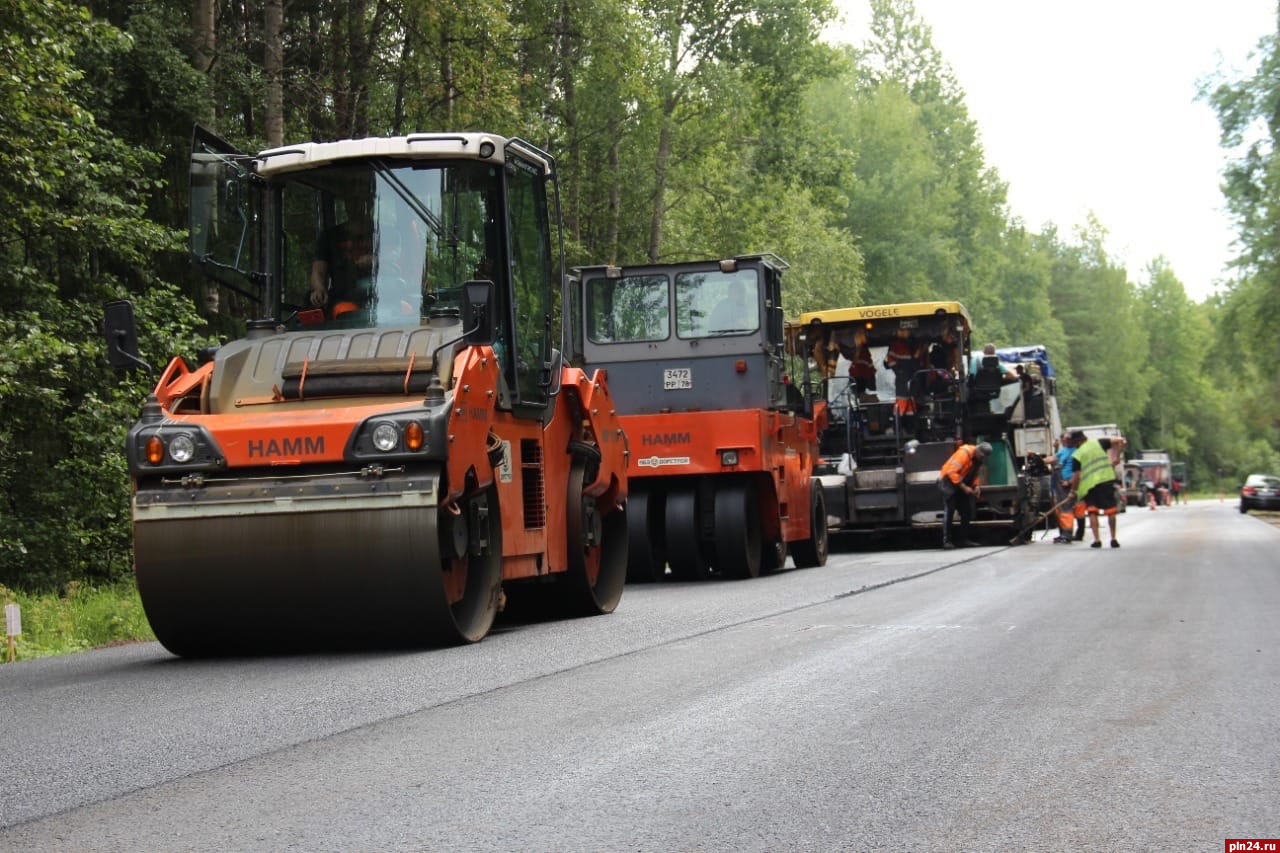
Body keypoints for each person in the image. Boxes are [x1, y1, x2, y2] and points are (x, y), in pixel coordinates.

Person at [310, 201, 375, 312]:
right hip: (344, 299)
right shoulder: (330, 236)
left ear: (370, 204)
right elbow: (318, 270)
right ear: (346, 204)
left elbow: (396, 263)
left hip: (382, 296)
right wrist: (319, 288)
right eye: (352, 200)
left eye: (362, 200)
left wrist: (376, 261)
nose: (356, 206)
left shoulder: (386, 233)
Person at [1067, 431, 1126, 548]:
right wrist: (1117, 457)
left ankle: (1097, 540)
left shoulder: (1077, 455)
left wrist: (1073, 492)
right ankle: (1113, 538)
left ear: (1077, 442)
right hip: (1106, 480)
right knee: (1110, 511)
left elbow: (1077, 476)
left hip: (1090, 486)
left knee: (1092, 511)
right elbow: (1121, 441)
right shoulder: (1099, 443)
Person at [938, 441, 992, 549]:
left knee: (966, 511)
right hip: (948, 482)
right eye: (982, 457)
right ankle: (947, 541)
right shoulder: (964, 453)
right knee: (950, 510)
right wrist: (964, 487)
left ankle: (963, 540)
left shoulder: (977, 459)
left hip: (960, 482)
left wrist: (976, 486)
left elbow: (974, 474)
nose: (982, 459)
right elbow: (951, 472)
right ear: (978, 452)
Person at [847, 329, 878, 398]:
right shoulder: (858, 352)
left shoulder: (863, 353)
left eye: (858, 337)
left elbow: (866, 369)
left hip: (860, 384)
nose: (855, 339)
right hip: (859, 384)